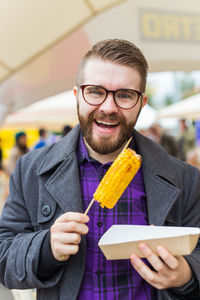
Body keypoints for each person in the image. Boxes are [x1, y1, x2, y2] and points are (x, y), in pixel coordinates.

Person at [0, 39, 199, 300]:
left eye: (125, 95)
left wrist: (187, 276)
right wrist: (45, 248)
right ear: (77, 96)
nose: (108, 107)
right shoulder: (30, 170)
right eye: (95, 91)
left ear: (141, 102)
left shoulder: (187, 179)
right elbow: (3, 257)